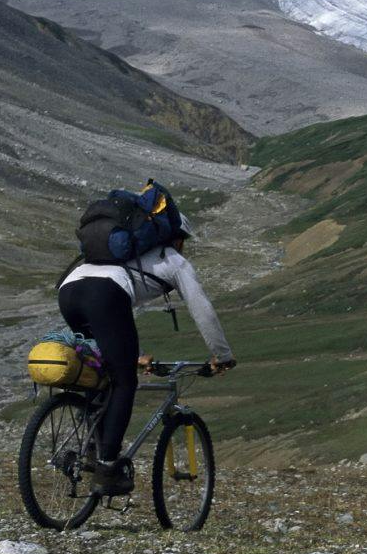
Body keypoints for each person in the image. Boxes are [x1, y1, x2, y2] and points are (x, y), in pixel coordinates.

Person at [58, 194, 235, 495]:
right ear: (176, 237)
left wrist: (136, 354)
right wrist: (222, 354)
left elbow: (115, 324)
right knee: (125, 381)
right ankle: (107, 466)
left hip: (68, 290)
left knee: (105, 375)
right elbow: (201, 308)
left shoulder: (120, 254)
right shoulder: (173, 259)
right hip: (105, 295)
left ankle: (89, 446)